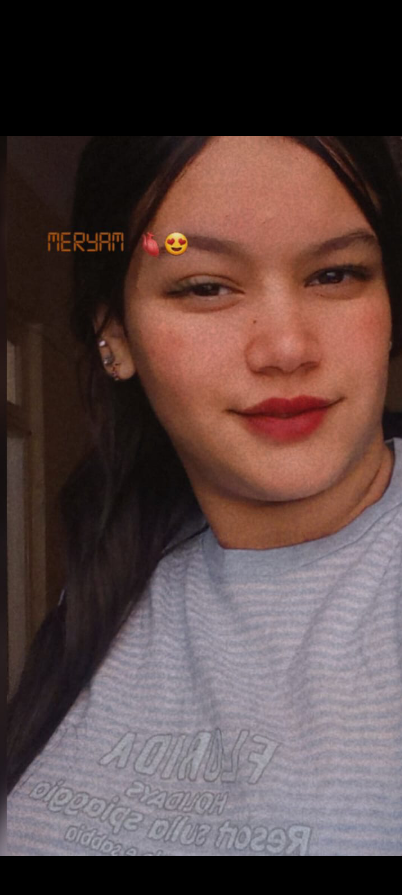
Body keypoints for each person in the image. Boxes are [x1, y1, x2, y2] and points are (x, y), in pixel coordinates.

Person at [7, 136, 402, 856]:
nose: (286, 348)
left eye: (336, 273)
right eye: (205, 287)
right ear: (115, 335)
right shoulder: (114, 574)